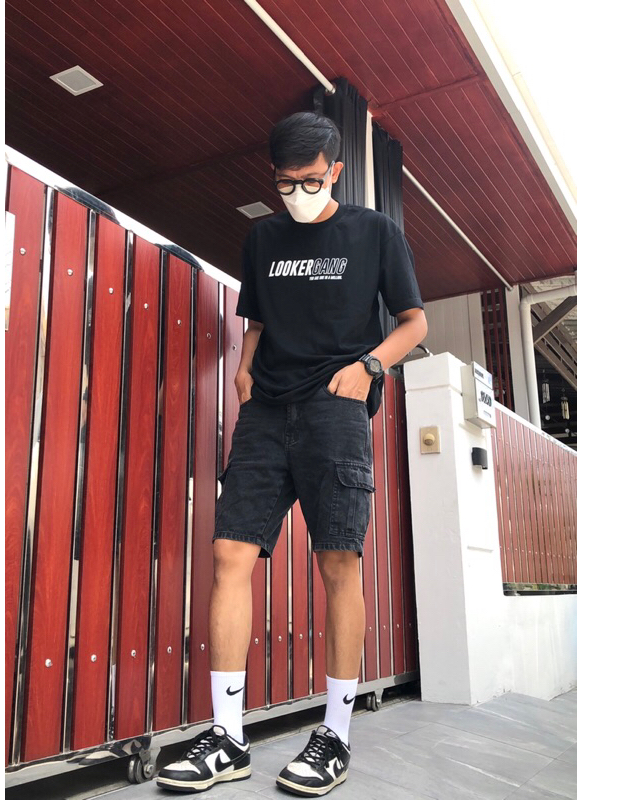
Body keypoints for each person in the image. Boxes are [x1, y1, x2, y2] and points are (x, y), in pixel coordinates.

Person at [155, 111, 427, 795]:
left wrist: (368, 367)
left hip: (335, 407)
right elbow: (258, 318)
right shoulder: (263, 238)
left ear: (335, 170)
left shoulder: (375, 232)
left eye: (311, 180)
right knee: (229, 554)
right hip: (266, 412)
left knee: (338, 561)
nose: (298, 193)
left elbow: (413, 321)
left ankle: (335, 733)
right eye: (285, 182)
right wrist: (244, 370)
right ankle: (227, 738)